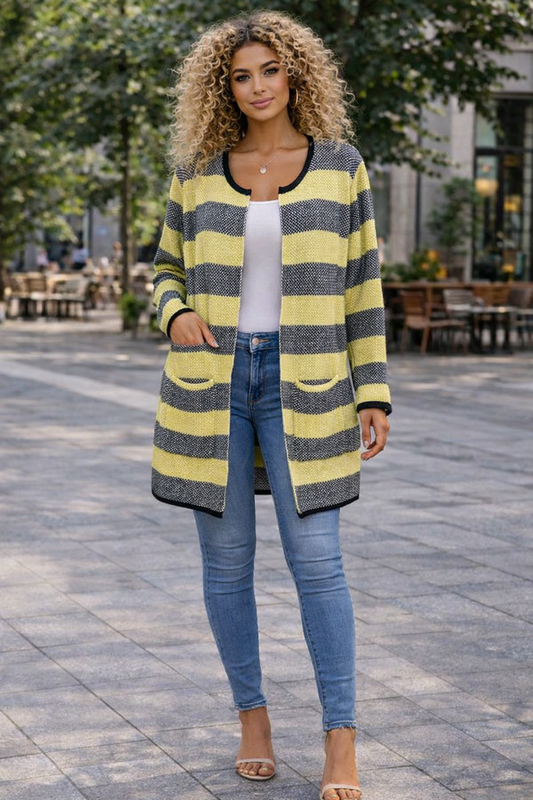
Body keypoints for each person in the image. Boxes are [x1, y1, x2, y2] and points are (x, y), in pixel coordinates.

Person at [150, 11, 392, 800]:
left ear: (296, 75)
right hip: (211, 384)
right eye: (240, 76)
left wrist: (372, 389)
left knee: (317, 562)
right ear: (222, 87)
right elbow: (164, 268)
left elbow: (362, 287)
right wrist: (174, 313)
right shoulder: (196, 171)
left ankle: (339, 738)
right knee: (226, 568)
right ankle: (251, 720)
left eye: (269, 71)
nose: (256, 87)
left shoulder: (340, 167)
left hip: (310, 384)